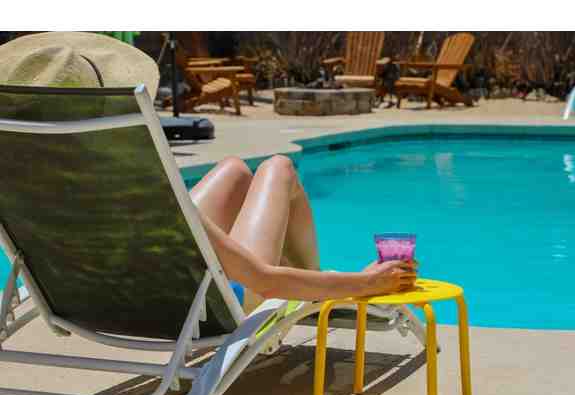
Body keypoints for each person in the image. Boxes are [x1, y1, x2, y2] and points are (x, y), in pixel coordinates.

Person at [0, 32, 417, 313]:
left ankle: (309, 285)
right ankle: (313, 293)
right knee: (278, 168)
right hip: (189, 312)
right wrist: (362, 284)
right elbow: (264, 281)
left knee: (234, 171)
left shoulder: (23, 178)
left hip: (101, 304)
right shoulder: (136, 183)